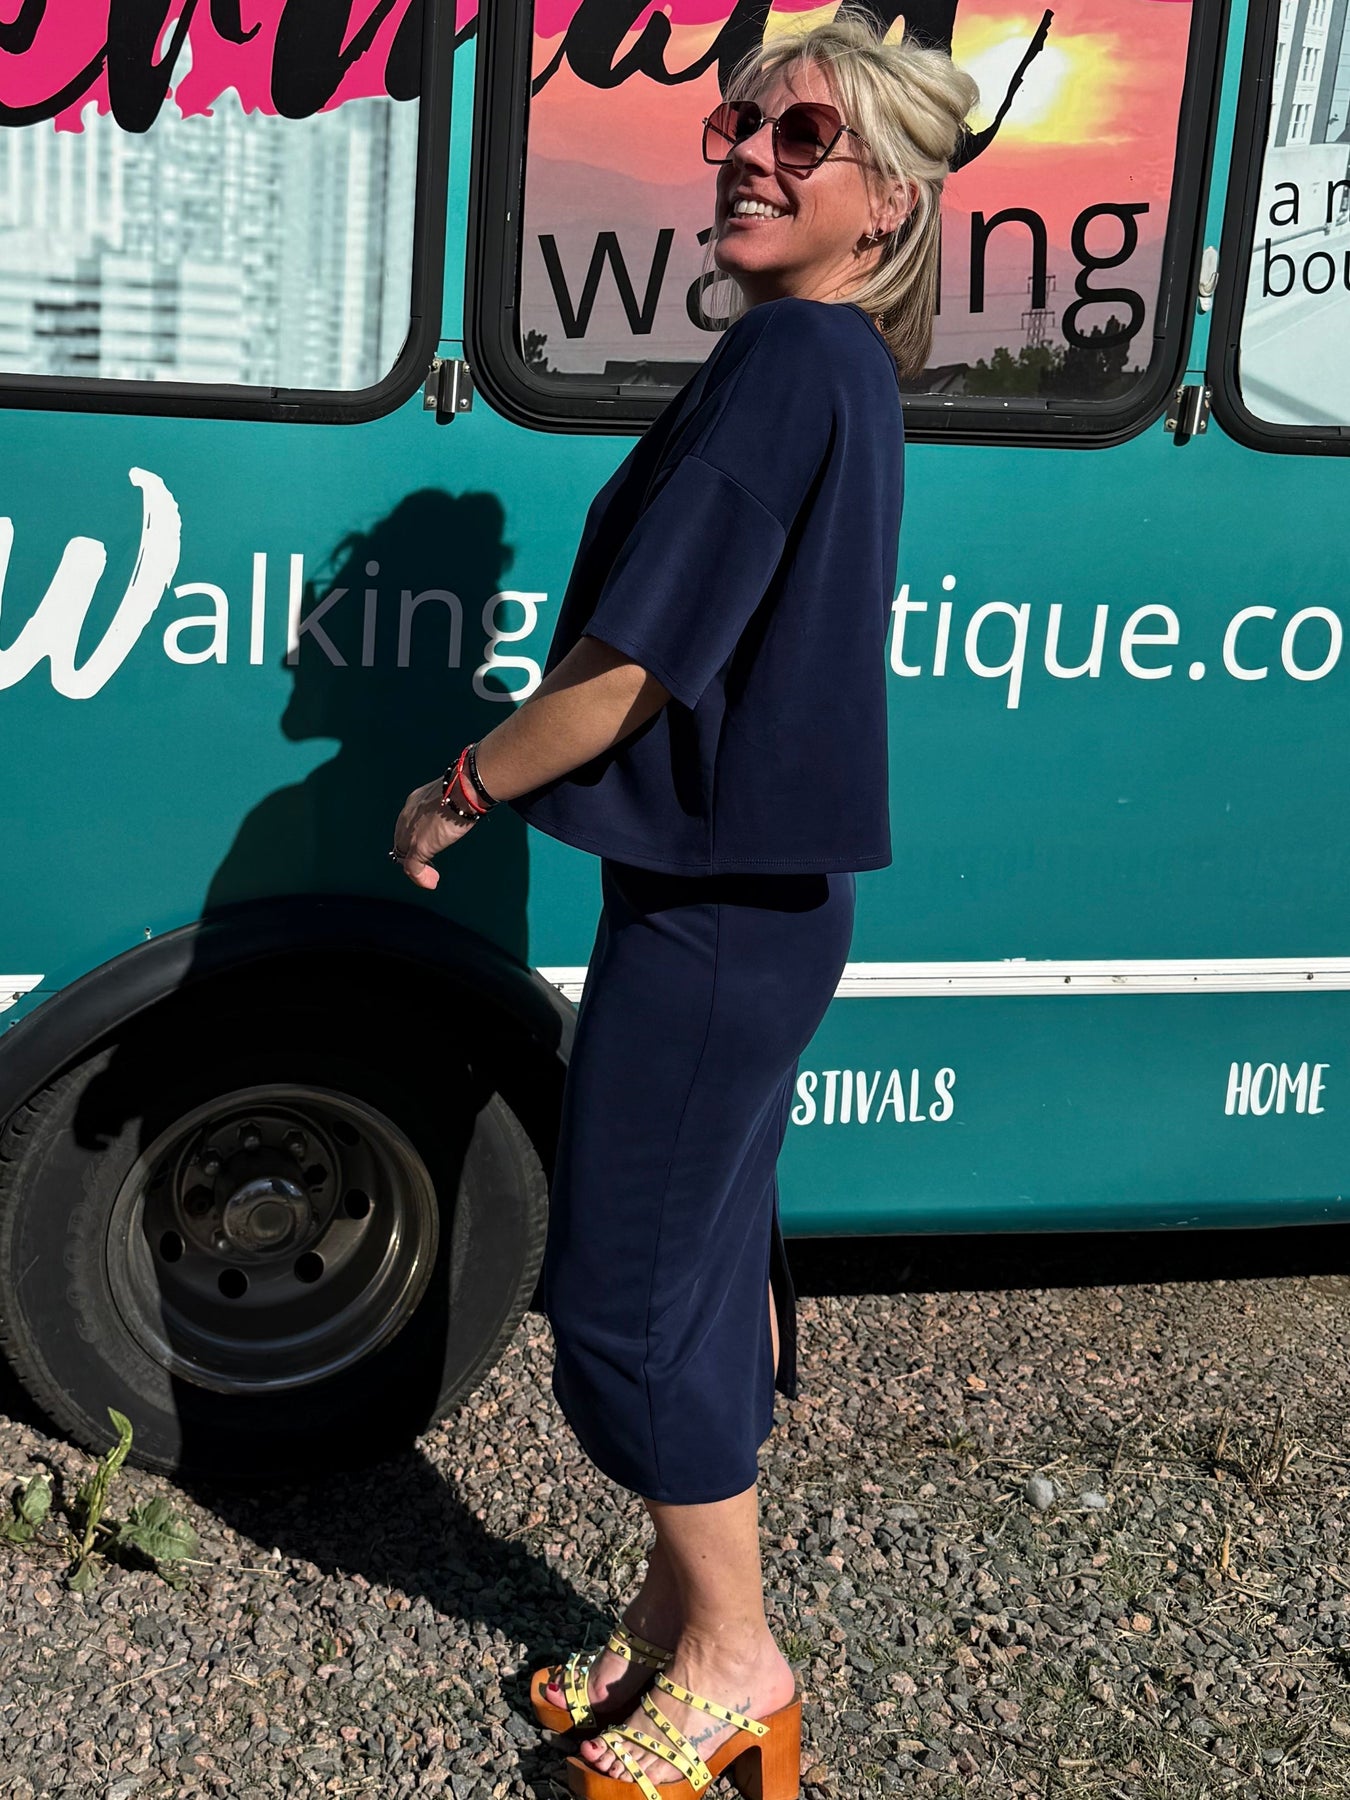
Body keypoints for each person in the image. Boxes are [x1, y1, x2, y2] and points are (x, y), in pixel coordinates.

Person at [391, 16, 978, 1797]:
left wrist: (464, 785)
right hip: (740, 907)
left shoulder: (790, 361)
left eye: (799, 137)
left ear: (884, 201)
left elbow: (631, 668)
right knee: (701, 1274)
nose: (745, 154)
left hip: (720, 920)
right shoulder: (826, 364)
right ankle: (669, 1621)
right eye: (737, 122)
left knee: (628, 1298)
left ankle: (737, 1659)